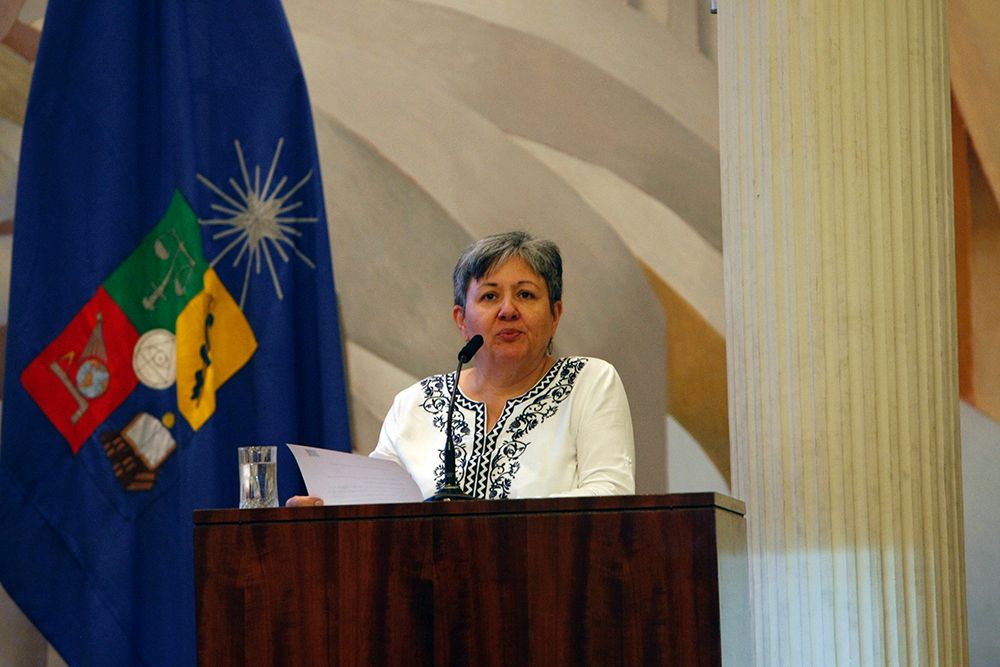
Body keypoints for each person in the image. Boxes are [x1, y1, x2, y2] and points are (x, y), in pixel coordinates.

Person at [289, 231, 635, 503]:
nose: (508, 311)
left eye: (526, 295)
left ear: (555, 314)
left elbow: (611, 495)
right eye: (489, 296)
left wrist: (487, 520)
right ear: (461, 320)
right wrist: (325, 510)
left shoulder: (589, 383)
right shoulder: (416, 404)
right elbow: (374, 505)